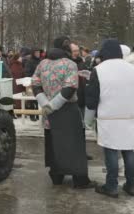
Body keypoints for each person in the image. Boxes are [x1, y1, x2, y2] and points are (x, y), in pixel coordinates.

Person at [32, 36, 95, 189]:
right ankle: (79, 179)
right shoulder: (70, 64)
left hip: (48, 110)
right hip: (67, 109)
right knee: (74, 144)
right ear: (66, 48)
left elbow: (35, 83)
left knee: (53, 143)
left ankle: (57, 176)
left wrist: (45, 104)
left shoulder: (43, 63)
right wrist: (54, 104)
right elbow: (70, 87)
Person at [85, 39, 134, 198]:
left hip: (108, 117)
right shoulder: (132, 69)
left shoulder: (98, 70)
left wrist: (88, 119)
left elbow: (92, 98)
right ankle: (132, 185)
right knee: (128, 150)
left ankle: (111, 186)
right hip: (128, 116)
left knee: (111, 151)